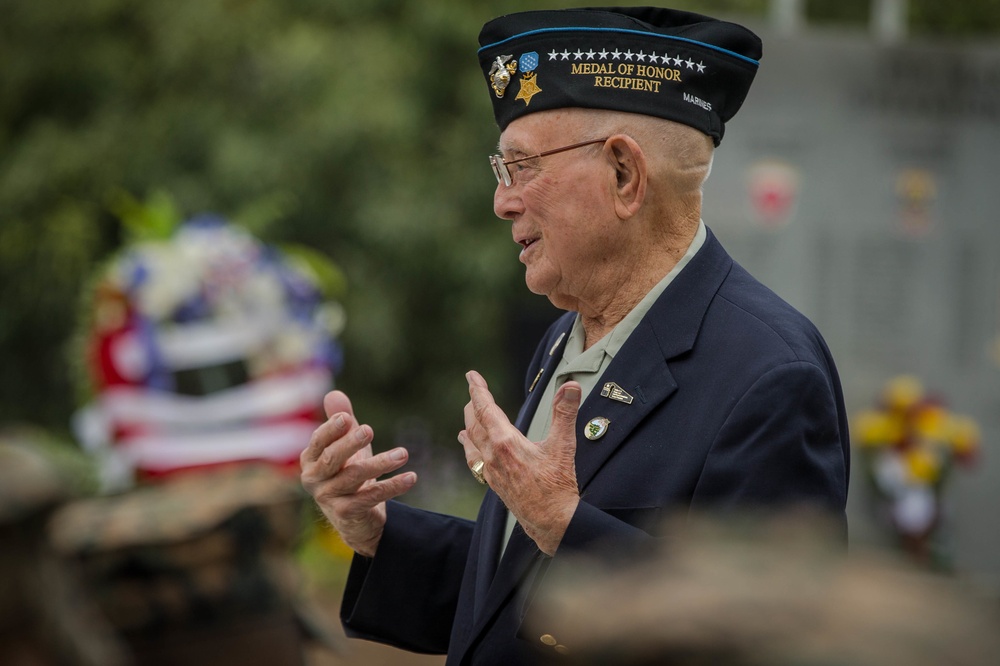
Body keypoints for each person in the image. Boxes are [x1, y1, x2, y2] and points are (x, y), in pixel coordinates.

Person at [300, 7, 849, 665]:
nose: (504, 201)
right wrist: (375, 532)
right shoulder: (569, 335)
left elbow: (768, 639)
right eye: (502, 170)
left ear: (624, 176)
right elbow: (513, 595)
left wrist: (563, 522)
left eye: (523, 167)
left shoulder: (770, 373)